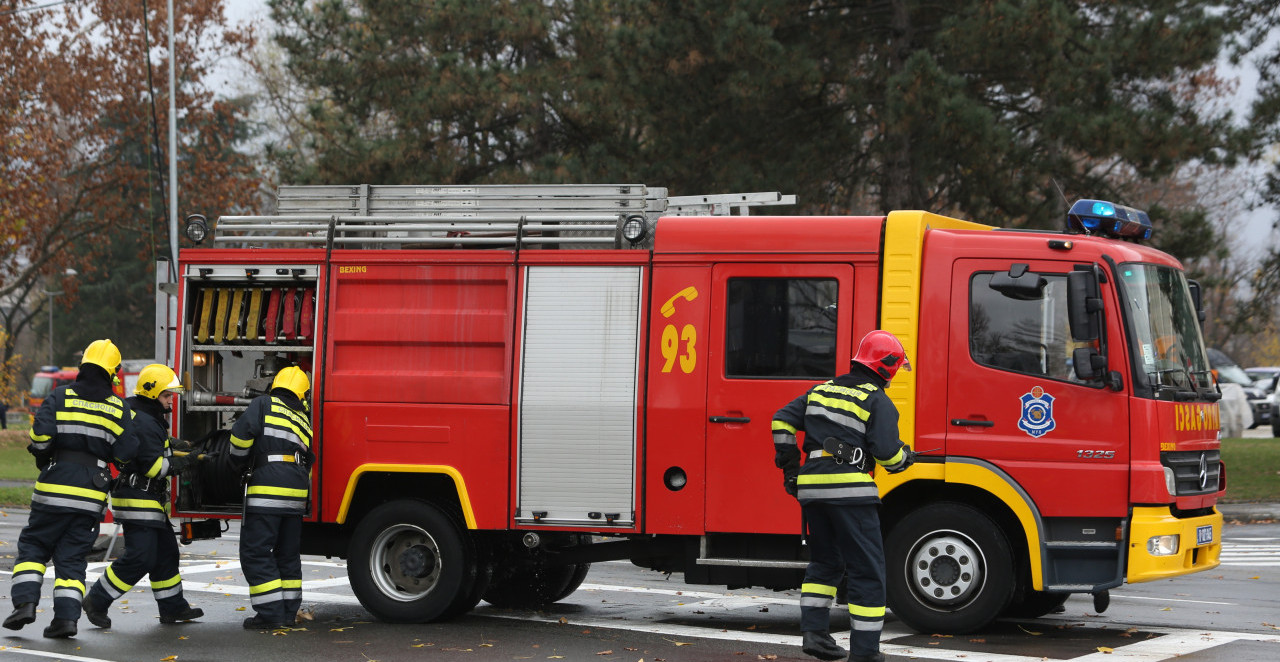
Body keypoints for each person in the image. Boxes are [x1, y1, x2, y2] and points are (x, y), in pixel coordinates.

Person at [772, 330, 916, 662]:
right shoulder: (877, 399)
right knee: (867, 571)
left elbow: (780, 420)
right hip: (851, 493)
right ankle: (865, 653)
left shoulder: (820, 390)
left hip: (811, 490)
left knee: (824, 563)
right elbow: (887, 456)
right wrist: (905, 458)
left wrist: (790, 470)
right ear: (888, 367)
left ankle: (815, 634)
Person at [3, 339, 137, 639]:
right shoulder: (118, 407)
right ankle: (66, 620)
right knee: (72, 558)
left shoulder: (60, 396)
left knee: (34, 546)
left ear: (83, 366)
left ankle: (24, 603)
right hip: (90, 496)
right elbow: (127, 451)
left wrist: (44, 456)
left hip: (53, 487)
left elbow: (40, 437)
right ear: (112, 372)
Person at [83, 364, 204, 628]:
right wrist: (189, 461)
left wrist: (175, 445)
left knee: (166, 553)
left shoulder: (140, 413)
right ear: (152, 394)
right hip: (139, 500)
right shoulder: (147, 421)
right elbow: (154, 467)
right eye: (166, 395)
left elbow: (150, 447)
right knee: (141, 557)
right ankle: (97, 600)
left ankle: (173, 607)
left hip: (143, 499)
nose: (170, 400)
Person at [228, 365, 314, 629]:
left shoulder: (264, 404)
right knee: (287, 555)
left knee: (256, 553)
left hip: (267, 491)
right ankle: (288, 613)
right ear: (302, 394)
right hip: (296, 495)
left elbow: (240, 437)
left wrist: (239, 464)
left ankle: (269, 614)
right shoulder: (303, 420)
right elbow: (310, 460)